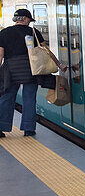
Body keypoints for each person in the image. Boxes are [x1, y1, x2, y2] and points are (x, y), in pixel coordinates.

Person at [0, 8, 64, 137]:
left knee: (7, 97)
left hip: (11, 70)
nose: (29, 22)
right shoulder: (34, 32)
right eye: (29, 19)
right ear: (24, 18)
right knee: (29, 98)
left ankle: (1, 127)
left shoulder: (4, 33)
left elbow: (0, 54)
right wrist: (59, 65)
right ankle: (29, 129)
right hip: (31, 70)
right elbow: (46, 51)